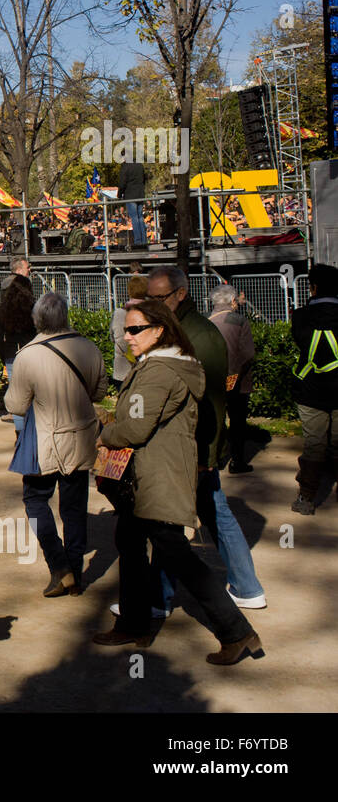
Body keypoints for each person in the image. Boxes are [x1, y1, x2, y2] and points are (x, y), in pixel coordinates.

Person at [93, 300, 263, 665]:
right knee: (132, 539)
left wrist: (106, 434)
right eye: (126, 328)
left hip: (155, 476)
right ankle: (135, 623)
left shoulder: (159, 371)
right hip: (153, 474)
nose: (127, 335)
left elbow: (136, 427)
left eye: (135, 329)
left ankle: (236, 631)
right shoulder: (165, 365)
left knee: (176, 553)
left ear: (159, 330)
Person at [145, 266, 266, 610]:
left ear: (180, 294)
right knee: (210, 512)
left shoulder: (191, 334)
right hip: (197, 445)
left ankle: (159, 599)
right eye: (149, 298)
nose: (153, 304)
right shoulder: (190, 329)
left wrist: (201, 454)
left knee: (169, 523)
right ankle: (246, 586)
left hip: (190, 446)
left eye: (159, 298)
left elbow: (201, 400)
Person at [4, 292, 107, 598]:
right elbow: (99, 392)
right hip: (82, 436)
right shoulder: (88, 347)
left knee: (36, 500)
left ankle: (59, 566)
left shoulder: (28, 355)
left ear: (37, 320)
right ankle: (75, 571)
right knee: (74, 508)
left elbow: (17, 406)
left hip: (45, 440)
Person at [289, 262, 338, 515]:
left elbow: (301, 340)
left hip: (310, 390)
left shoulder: (300, 317)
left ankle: (306, 498)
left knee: (314, 444)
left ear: (313, 287)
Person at [209, 284, 256, 474]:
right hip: (237, 380)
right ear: (232, 302)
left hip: (211, 379)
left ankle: (216, 459)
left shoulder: (206, 320)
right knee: (237, 422)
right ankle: (237, 461)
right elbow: (247, 353)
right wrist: (234, 374)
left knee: (214, 420)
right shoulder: (239, 321)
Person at [0, 259, 36, 426]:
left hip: (12, 349)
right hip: (22, 349)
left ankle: (19, 425)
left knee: (16, 387)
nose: (31, 270)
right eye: (28, 268)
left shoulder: (3, 311)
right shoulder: (29, 307)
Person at [110, 275, 148, 392]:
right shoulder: (152, 313)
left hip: (122, 371)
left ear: (129, 291)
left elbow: (113, 338)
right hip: (146, 369)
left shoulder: (118, 314)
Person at [118, 158, 147, 248]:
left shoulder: (125, 167)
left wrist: (119, 194)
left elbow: (122, 183)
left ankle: (138, 241)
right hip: (140, 194)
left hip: (130, 195)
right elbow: (144, 178)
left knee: (134, 218)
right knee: (140, 217)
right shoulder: (139, 165)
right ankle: (144, 240)